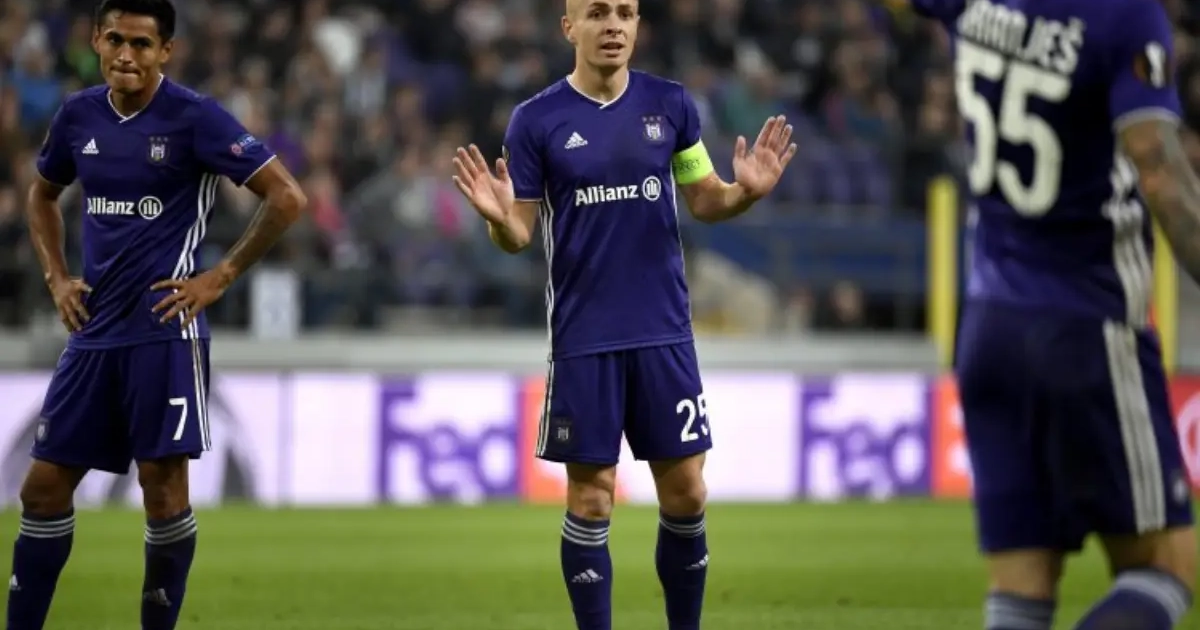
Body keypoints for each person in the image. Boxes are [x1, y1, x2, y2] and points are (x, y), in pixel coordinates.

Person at [450, 1, 796, 628]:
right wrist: (498, 221)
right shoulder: (536, 120)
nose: (613, 25)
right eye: (598, 13)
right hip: (585, 338)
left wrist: (743, 193)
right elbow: (519, 233)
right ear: (569, 27)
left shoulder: (671, 105)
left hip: (664, 331)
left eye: (626, 13)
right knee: (591, 498)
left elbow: (705, 199)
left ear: (637, 25)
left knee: (687, 491)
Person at [7, 1, 306, 628]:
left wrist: (220, 276)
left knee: (163, 492)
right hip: (92, 333)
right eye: (115, 39)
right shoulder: (78, 115)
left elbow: (286, 196)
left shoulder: (194, 117)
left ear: (165, 50)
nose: (126, 55)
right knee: (42, 489)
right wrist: (57, 277)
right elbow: (41, 194)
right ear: (95, 40)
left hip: (164, 333)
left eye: (141, 44)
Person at [902, 0, 1196, 628]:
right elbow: (1161, 174)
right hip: (1087, 326)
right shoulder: (1123, 14)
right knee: (1168, 565)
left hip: (987, 329)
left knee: (1022, 588)